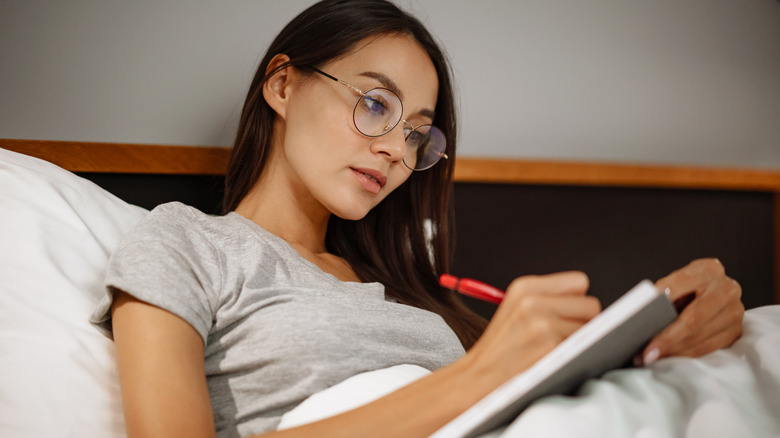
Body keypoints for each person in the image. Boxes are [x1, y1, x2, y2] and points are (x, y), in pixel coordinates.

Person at [91, 0, 745, 436]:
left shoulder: (402, 285)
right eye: (376, 104)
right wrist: (481, 374)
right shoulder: (186, 242)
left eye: (416, 135)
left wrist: (661, 335)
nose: (394, 151)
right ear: (283, 85)